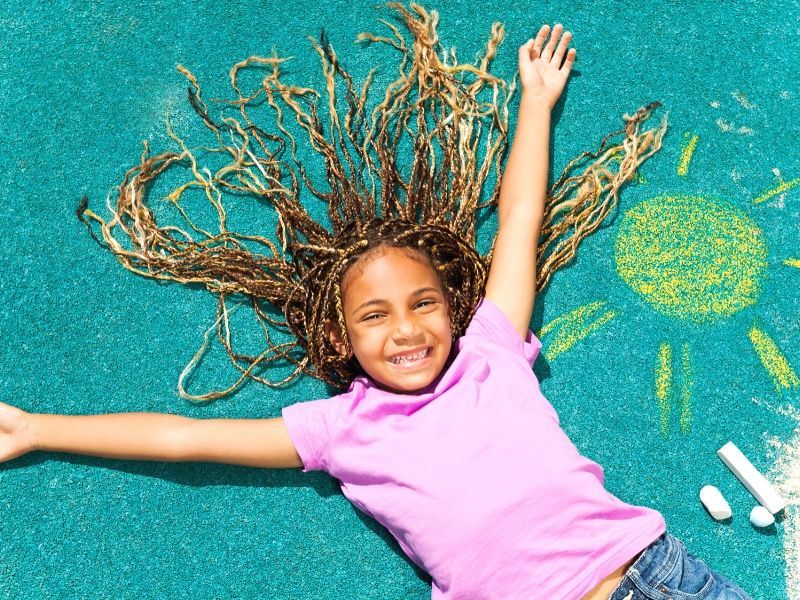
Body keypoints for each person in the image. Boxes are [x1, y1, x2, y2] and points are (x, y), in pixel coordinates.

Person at [0, 13, 752, 600]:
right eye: (375, 315)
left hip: (653, 579)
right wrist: (39, 429)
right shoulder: (341, 429)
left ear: (454, 310)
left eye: (424, 303)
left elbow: (519, 217)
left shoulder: (490, 347)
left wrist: (536, 102)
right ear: (339, 335)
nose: (406, 328)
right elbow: (185, 439)